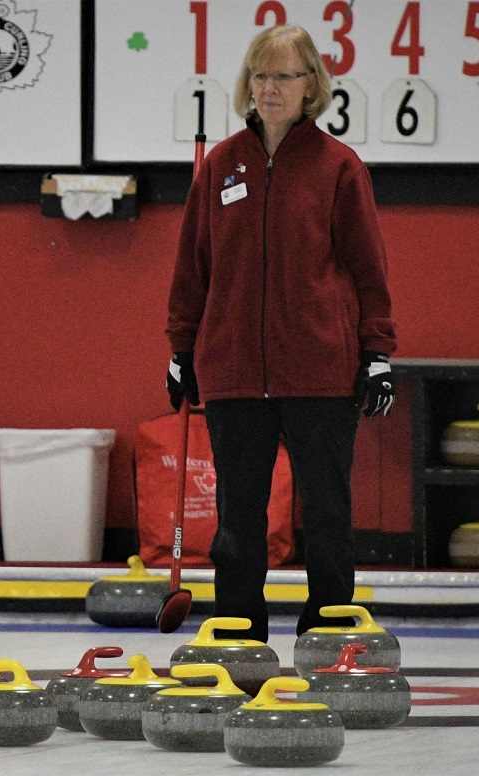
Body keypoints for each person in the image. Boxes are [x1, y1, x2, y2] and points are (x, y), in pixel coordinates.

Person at [166, 25, 396, 643]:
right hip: (234, 371)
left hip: (321, 371)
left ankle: (327, 631)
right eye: (261, 76)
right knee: (238, 515)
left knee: (325, 512)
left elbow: (369, 268)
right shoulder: (220, 165)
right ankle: (238, 632)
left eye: (284, 77)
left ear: (311, 86)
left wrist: (376, 353)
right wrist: (180, 349)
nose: (270, 88)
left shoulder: (340, 168)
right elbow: (193, 267)